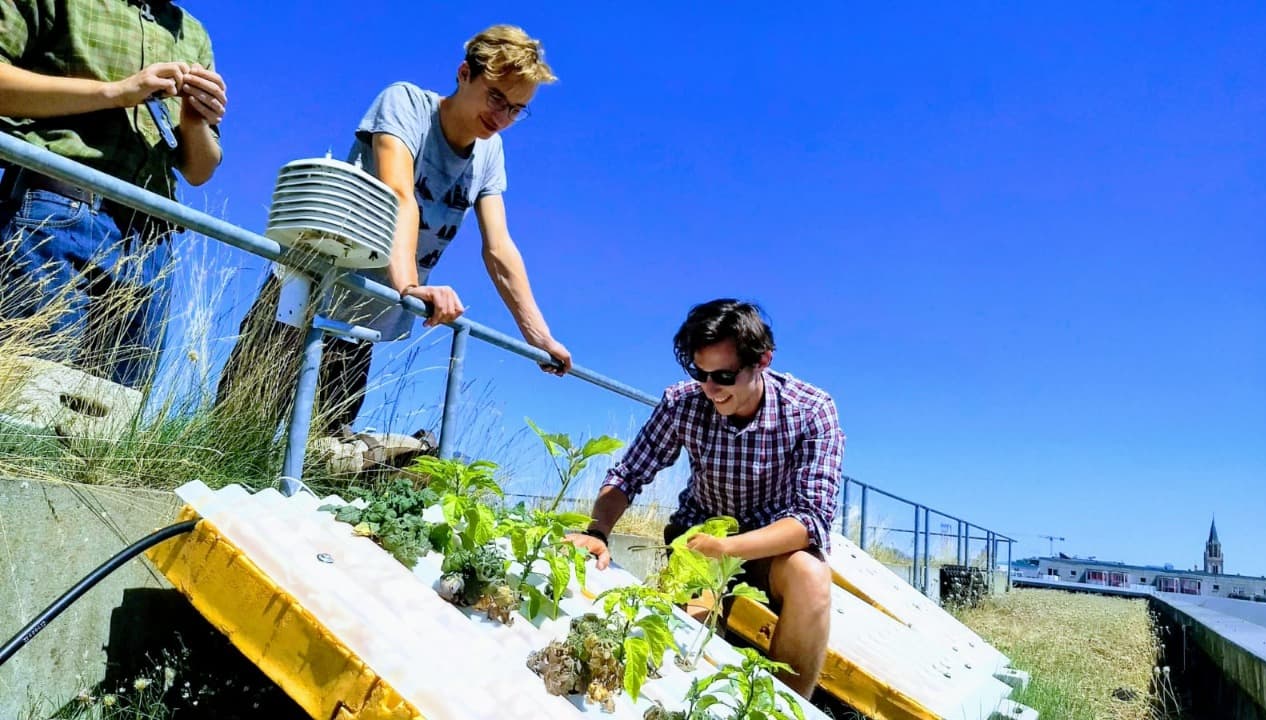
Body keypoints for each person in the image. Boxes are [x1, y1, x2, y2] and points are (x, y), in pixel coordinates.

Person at [215, 24, 570, 442]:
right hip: (306, 290)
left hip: (362, 317)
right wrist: (409, 286)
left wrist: (539, 336)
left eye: (516, 109)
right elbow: (399, 192)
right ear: (464, 74)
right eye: (496, 97)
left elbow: (499, 247)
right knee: (237, 434)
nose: (502, 117)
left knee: (324, 452)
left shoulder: (490, 151)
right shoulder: (405, 104)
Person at [568, 299, 846, 699]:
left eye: (725, 376)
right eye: (700, 373)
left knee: (812, 576)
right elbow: (629, 474)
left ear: (763, 361)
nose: (711, 388)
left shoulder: (811, 411)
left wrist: (729, 548)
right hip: (700, 541)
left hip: (769, 549)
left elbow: (810, 521)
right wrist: (597, 532)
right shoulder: (683, 403)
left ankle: (785, 707)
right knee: (689, 639)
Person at [0, 0, 226, 390]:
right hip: (53, 217)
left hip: (152, 247)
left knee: (114, 415)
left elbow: (199, 170)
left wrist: (195, 122)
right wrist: (116, 92)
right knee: (28, 400)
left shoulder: (194, 34)